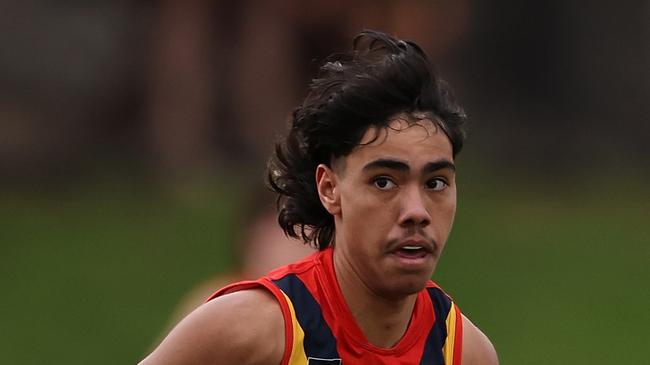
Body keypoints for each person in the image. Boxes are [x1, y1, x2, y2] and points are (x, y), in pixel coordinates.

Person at [139, 30, 498, 365]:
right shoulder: (249, 329)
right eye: (384, 182)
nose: (417, 212)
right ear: (330, 189)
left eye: (435, 183)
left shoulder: (464, 351)